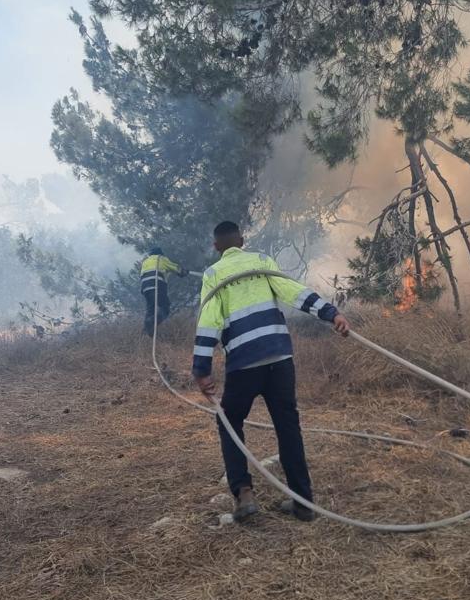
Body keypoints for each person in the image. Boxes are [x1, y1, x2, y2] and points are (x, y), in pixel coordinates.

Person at [192, 221, 350, 523]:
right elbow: (294, 292)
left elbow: (209, 321)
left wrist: (201, 369)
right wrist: (332, 313)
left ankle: (244, 494)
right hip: (280, 359)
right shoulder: (262, 261)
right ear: (242, 240)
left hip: (244, 364)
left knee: (229, 421)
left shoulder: (213, 274)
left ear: (216, 247)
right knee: (288, 426)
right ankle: (303, 502)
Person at [140, 246, 184, 335]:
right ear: (160, 253)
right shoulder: (161, 258)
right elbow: (176, 268)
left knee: (150, 309)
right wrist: (183, 272)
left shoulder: (146, 261)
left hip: (145, 287)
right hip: (156, 284)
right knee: (165, 308)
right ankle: (151, 322)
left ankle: (146, 331)